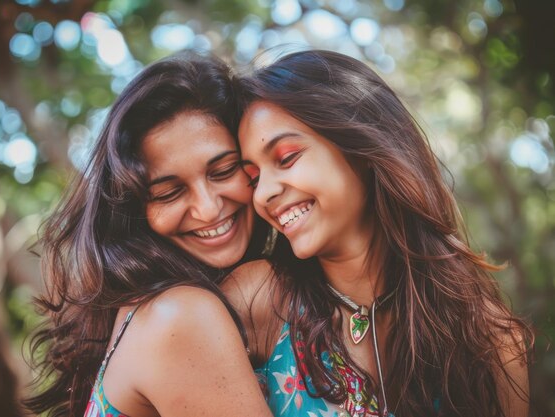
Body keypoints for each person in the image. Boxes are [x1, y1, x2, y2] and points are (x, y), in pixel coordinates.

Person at [224, 50, 532, 417]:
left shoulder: (490, 336)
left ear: (362, 146)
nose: (263, 194)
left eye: (287, 157)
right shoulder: (257, 298)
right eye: (254, 178)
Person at [25, 53, 274, 417]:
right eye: (168, 193)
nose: (207, 209)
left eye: (223, 170)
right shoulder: (179, 316)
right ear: (132, 211)